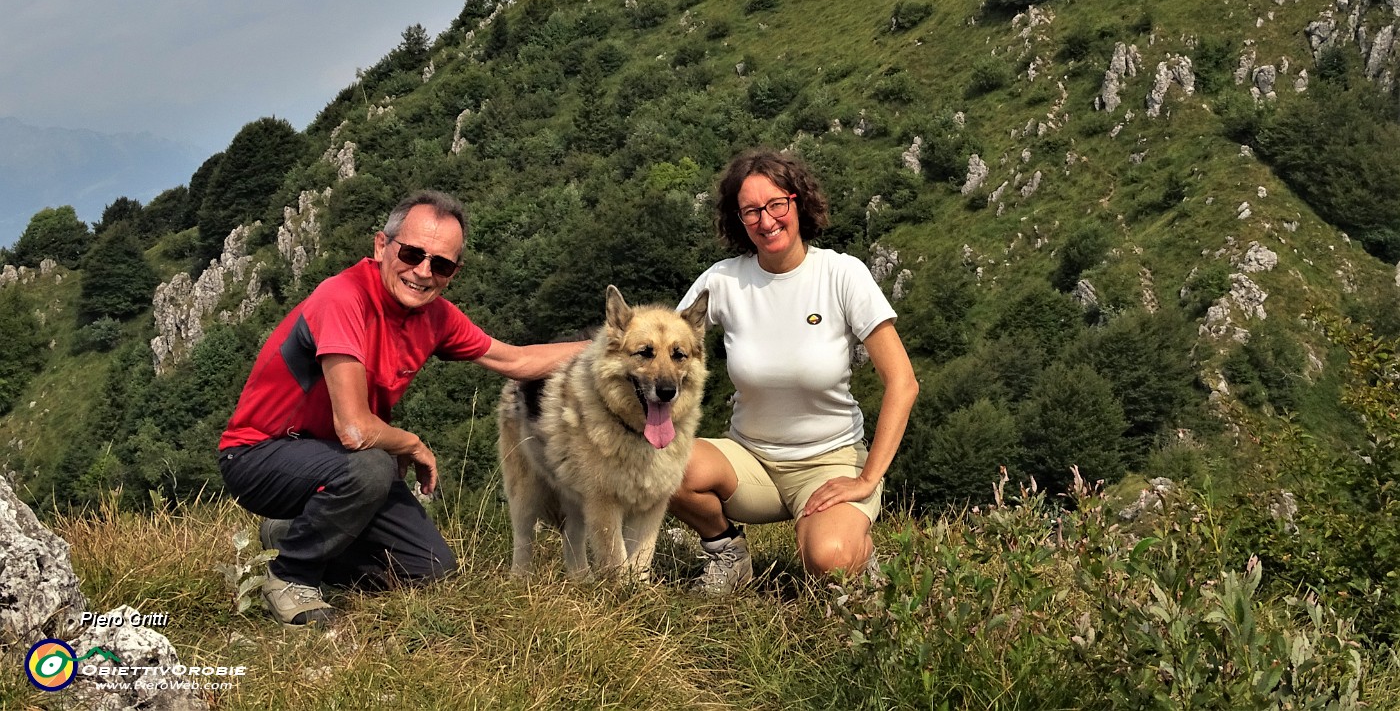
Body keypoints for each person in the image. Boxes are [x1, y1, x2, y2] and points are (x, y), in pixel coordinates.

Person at [217, 189, 586, 626]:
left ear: (454, 272)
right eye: (412, 253)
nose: (423, 271)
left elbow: (516, 361)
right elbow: (354, 429)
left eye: (441, 264)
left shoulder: (437, 317)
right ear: (380, 246)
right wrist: (411, 445)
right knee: (374, 464)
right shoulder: (343, 298)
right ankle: (290, 577)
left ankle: (293, 534)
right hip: (260, 455)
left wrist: (612, 346)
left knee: (431, 571)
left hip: (339, 463)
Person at [669, 149, 919, 593]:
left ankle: (853, 548)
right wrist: (521, 356)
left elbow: (903, 382)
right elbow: (653, 341)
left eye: (776, 205)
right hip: (751, 461)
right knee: (659, 462)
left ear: (797, 202)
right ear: (739, 221)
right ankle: (727, 553)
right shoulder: (724, 281)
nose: (766, 221)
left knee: (828, 562)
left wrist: (866, 479)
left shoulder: (842, 274)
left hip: (830, 461)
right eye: (751, 211)